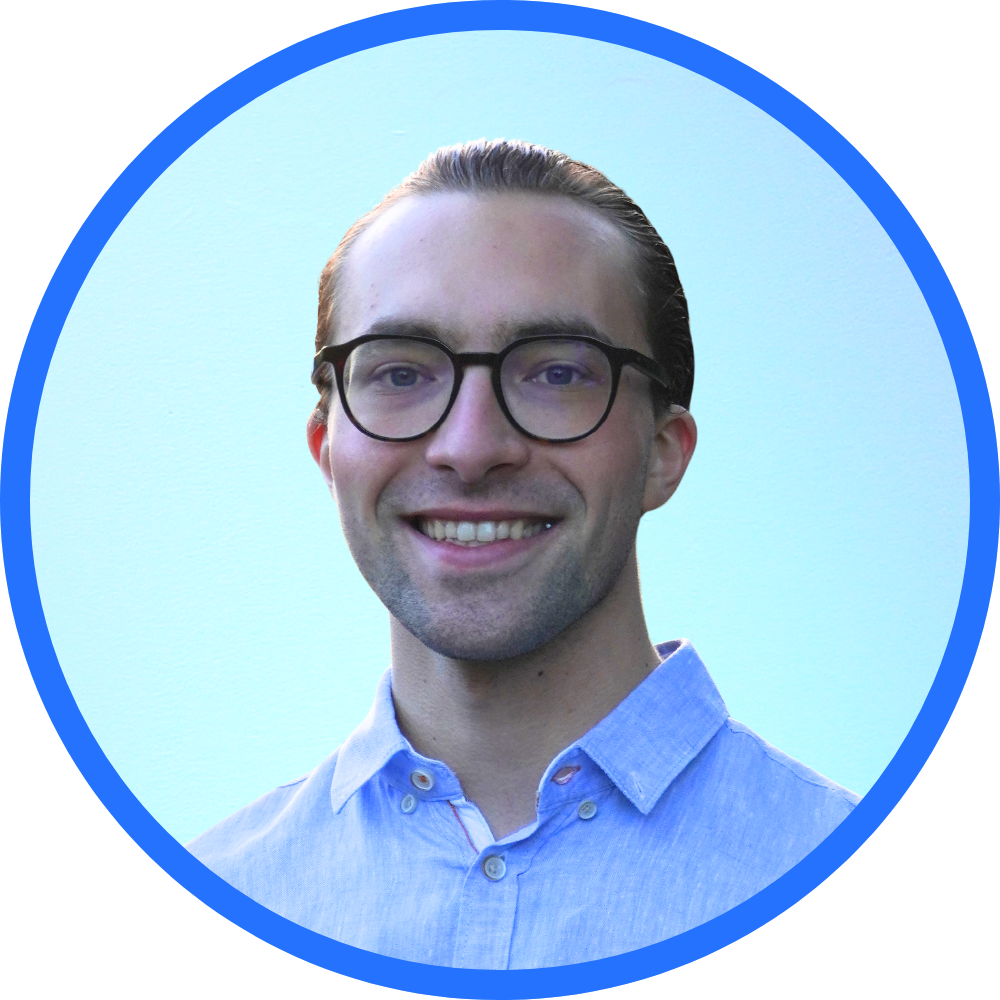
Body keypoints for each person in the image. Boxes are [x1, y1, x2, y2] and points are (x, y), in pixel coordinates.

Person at [187, 138, 859, 969]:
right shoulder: (226, 887)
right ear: (329, 450)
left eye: (557, 374)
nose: (470, 448)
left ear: (662, 452)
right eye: (401, 374)